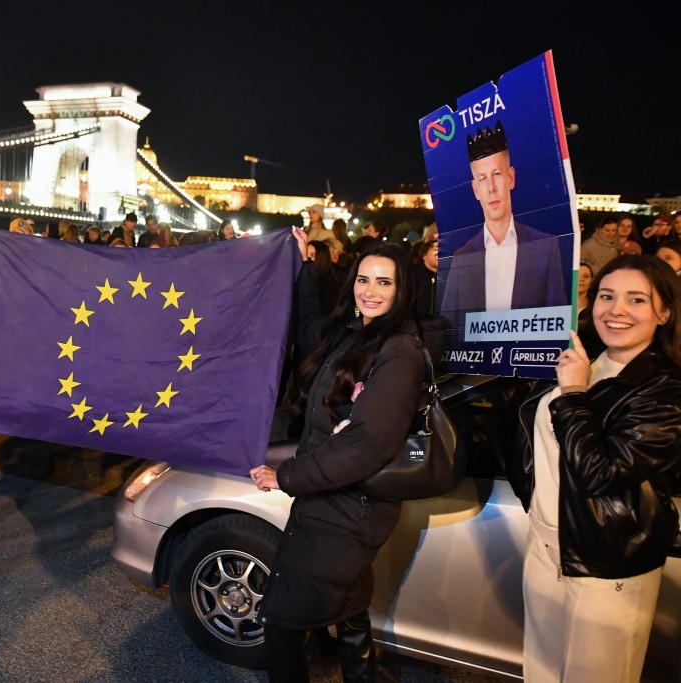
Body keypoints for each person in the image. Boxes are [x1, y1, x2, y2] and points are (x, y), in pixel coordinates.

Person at [250, 231, 427, 683]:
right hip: (333, 499)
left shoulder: (399, 353)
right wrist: (308, 266)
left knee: (282, 619)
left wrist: (285, 476)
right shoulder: (353, 335)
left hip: (350, 506)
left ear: (403, 289)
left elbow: (365, 445)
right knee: (348, 607)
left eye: (384, 283)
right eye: (363, 279)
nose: (370, 291)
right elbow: (309, 327)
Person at [513, 255, 681, 682]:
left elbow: (600, 474)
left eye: (637, 299)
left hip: (607, 561)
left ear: (664, 312)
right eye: (607, 296)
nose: (616, 310)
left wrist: (572, 394)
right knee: (542, 674)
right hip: (547, 548)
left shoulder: (665, 389)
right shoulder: (583, 359)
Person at [439, 121, 567, 333]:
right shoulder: (462, 257)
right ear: (475, 190)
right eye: (482, 178)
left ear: (511, 177)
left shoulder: (545, 246)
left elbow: (557, 325)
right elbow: (446, 330)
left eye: (497, 174)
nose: (491, 188)